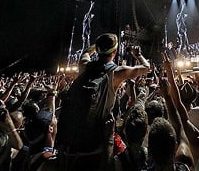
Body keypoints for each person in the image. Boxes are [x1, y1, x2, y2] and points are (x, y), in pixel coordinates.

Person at [57, 33, 149, 171]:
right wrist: (138, 55)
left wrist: (97, 45)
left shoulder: (84, 66)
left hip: (72, 139)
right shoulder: (117, 72)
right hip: (98, 138)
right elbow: (146, 67)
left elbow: (86, 52)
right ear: (115, 52)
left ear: (98, 50)